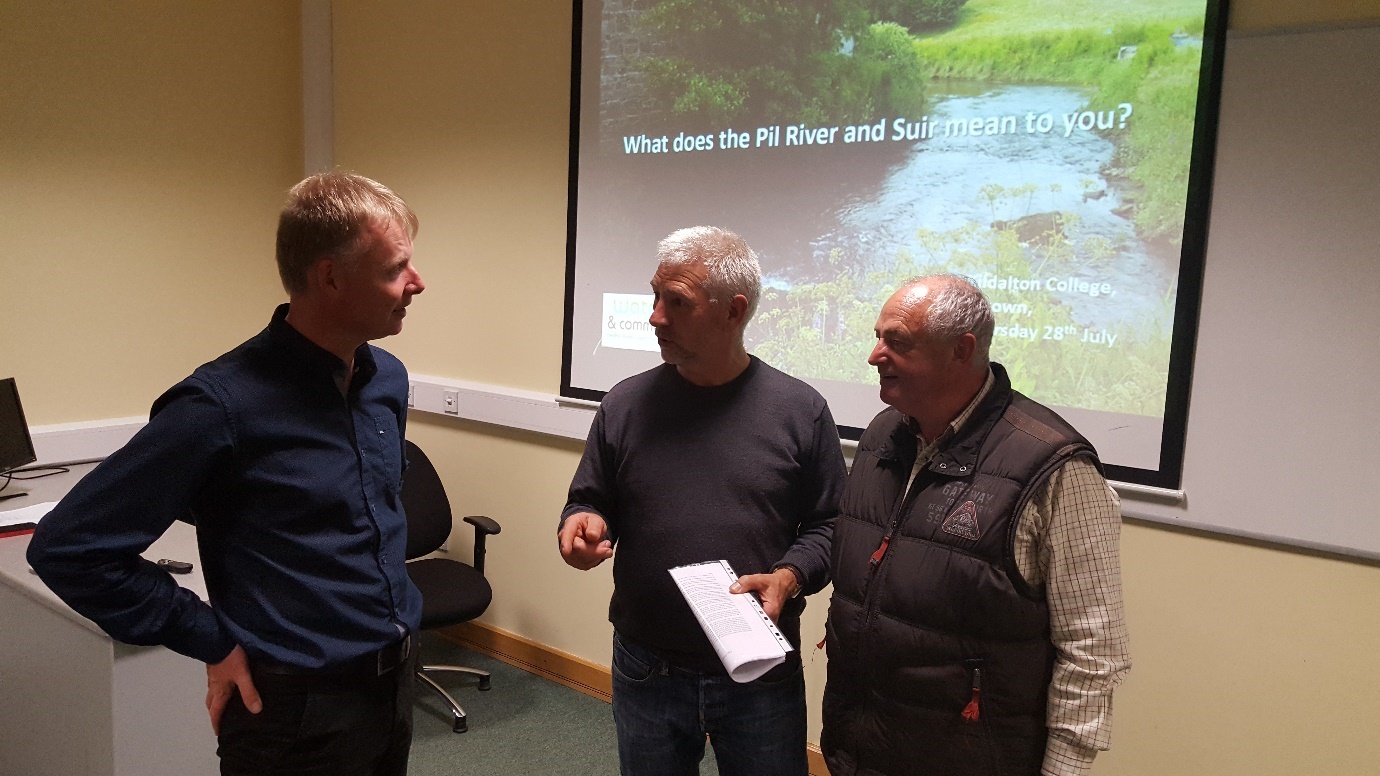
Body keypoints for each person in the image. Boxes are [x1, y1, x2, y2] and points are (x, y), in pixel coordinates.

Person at [27, 172, 428, 776]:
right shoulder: (219, 406)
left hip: (393, 684)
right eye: (396, 269)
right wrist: (206, 636)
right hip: (294, 711)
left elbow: (362, 524)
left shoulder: (385, 379)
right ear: (330, 278)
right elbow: (69, 548)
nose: (417, 284)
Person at [558, 226, 846, 776]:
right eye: (655, 296)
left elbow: (831, 525)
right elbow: (589, 498)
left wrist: (789, 575)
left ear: (734, 311)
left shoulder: (800, 410)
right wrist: (582, 523)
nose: (655, 317)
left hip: (760, 667)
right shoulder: (625, 403)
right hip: (647, 662)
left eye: (677, 302)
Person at [820, 275, 1131, 776]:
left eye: (897, 342)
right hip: (861, 745)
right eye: (877, 337)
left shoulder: (1055, 468)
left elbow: (1093, 653)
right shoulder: (884, 435)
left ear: (961, 350)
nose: (875, 356)